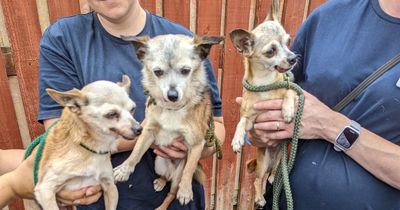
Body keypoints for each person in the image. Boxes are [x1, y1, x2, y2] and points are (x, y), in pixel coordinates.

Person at [0, 0, 225, 209]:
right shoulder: (64, 39)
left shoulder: (184, 42)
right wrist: (147, 132)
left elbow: (216, 128)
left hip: (179, 199)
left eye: (184, 71)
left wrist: (195, 143)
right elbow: (61, 136)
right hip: (101, 197)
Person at [242, 0, 400, 209]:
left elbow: (321, 121)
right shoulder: (329, 16)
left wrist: (330, 126)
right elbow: (276, 92)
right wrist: (258, 131)